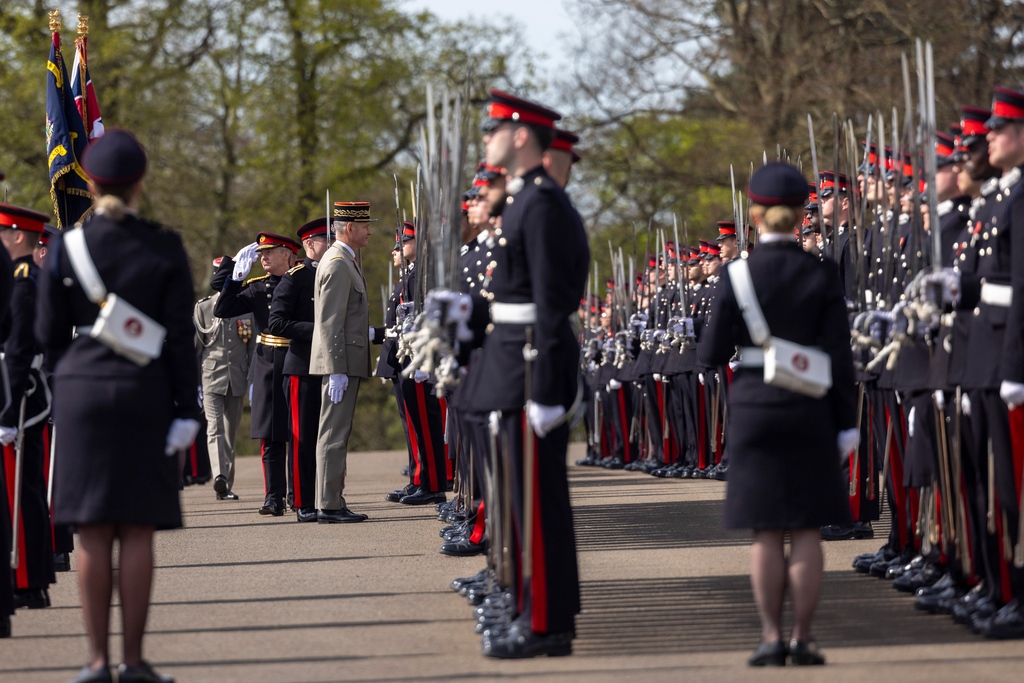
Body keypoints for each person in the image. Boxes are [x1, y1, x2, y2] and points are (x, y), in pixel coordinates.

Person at [36, 128, 199, 683]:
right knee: (135, 529)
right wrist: (187, 410)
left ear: (93, 182)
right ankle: (133, 661)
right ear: (139, 186)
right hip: (144, 392)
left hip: (81, 392)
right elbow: (180, 337)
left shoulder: (64, 247)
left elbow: (47, 334)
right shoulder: (163, 245)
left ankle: (96, 662)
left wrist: (72, 379)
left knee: (90, 530)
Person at [700, 161, 857, 666]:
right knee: (807, 529)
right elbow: (838, 353)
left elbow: (708, 354)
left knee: (767, 530)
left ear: (757, 213)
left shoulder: (736, 275)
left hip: (754, 407)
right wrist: (848, 422)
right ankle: (805, 638)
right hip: (810, 406)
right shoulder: (823, 272)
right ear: (797, 216)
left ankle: (771, 635)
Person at [213, 231, 300, 516]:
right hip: (266, 362)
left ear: (287, 254)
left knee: (299, 432)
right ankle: (273, 497)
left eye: (269, 253)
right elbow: (222, 309)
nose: (262, 258)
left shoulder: (302, 280)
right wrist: (235, 277)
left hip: (297, 357)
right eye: (261, 254)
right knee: (269, 433)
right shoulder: (256, 287)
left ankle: (299, 494)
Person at [0, 203, 56, 612]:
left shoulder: (22, 281)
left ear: (19, 236)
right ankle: (32, 579)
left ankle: (27, 580)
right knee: (26, 490)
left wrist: (5, 413)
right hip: (21, 392)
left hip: (18, 397)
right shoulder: (28, 278)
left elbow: (19, 350)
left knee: (19, 490)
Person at [309, 202, 373, 524]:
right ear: (350, 228)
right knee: (333, 433)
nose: (369, 232)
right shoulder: (337, 264)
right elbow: (330, 323)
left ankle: (332, 499)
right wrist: (336, 369)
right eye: (364, 227)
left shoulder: (343, 260)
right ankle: (329, 504)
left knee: (336, 432)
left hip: (346, 360)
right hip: (341, 363)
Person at [268, 217, 330, 523]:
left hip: (332, 366)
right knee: (302, 437)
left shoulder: (338, 272)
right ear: (310, 245)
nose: (332, 246)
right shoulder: (295, 277)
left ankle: (327, 498)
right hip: (302, 367)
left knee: (327, 436)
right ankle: (303, 502)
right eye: (326, 241)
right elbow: (276, 323)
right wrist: (319, 329)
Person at [194, 257, 254, 501]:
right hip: (211, 375)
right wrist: (195, 382)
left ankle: (226, 485)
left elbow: (252, 345)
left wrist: (252, 377)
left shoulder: (246, 305)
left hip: (238, 376)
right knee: (214, 427)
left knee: (230, 432)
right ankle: (219, 476)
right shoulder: (203, 307)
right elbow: (196, 347)